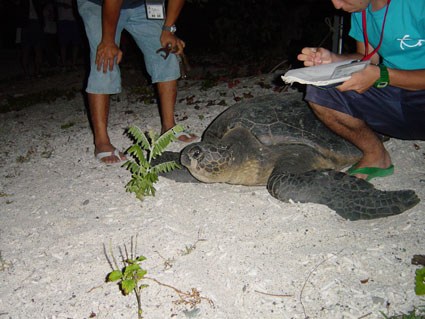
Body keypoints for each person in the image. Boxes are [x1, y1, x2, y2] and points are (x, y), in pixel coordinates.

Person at [297, 0, 425, 181]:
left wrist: (382, 75)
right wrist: (333, 59)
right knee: (320, 89)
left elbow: (377, 72)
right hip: (394, 96)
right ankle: (375, 154)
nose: (337, 5)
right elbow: (366, 58)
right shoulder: (361, 11)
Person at [77, 0, 195, 164]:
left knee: (166, 52)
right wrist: (108, 41)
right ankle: (101, 141)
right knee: (104, 59)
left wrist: (168, 29)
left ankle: (169, 126)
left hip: (142, 4)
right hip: (99, 4)